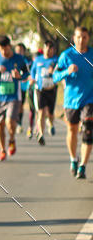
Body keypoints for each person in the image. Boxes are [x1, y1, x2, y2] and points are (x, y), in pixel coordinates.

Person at [53, 26, 93, 178]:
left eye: (84, 37)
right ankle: (73, 159)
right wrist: (66, 71)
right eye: (78, 37)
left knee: (88, 131)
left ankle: (82, 166)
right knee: (72, 130)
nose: (81, 40)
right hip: (71, 101)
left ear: (88, 38)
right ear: (74, 38)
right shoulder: (66, 55)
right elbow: (55, 77)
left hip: (90, 99)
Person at [0, 35, 29, 161]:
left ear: (10, 46)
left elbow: (26, 74)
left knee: (9, 122)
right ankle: (3, 150)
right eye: (1, 49)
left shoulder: (19, 59)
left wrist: (19, 75)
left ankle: (12, 139)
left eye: (6, 48)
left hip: (14, 96)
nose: (4, 52)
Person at [30, 41, 58, 145]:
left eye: (51, 48)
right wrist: (32, 79)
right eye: (47, 47)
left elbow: (59, 71)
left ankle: (50, 123)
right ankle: (41, 134)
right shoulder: (38, 60)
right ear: (44, 48)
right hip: (40, 90)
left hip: (52, 89)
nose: (49, 50)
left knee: (50, 113)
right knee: (41, 112)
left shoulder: (56, 60)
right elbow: (33, 71)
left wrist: (54, 71)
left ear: (53, 50)